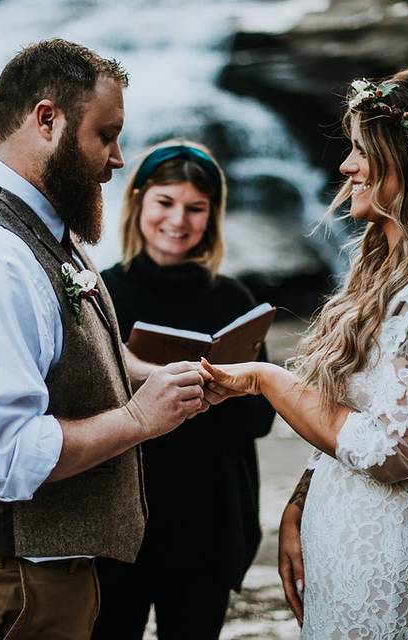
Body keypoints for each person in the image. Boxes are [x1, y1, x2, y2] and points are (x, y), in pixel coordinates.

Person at [0, 39, 211, 639]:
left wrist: (142, 373)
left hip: (30, 581)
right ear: (47, 119)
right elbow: (4, 455)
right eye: (106, 135)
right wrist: (141, 418)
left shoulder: (35, 225)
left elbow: (52, 350)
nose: (118, 158)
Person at [202, 65, 408, 638]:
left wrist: (266, 379)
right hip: (350, 560)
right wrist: (302, 502)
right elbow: (366, 414)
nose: (346, 166)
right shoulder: (398, 278)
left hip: (384, 577)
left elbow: (394, 452)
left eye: (362, 150)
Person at [91, 140, 276, 640]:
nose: (179, 220)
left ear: (212, 217)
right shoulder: (101, 293)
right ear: (139, 204)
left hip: (208, 523)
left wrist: (220, 386)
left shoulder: (233, 299)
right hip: (121, 524)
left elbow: (258, 421)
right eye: (165, 203)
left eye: (196, 208)